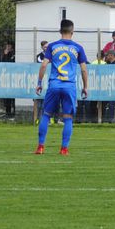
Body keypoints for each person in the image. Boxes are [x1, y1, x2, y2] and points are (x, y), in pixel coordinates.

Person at [34, 19, 89, 155]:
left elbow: (43, 65)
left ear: (60, 31)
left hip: (54, 84)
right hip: (69, 86)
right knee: (68, 118)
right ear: (72, 31)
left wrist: (40, 83)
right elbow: (83, 69)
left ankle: (40, 147)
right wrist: (85, 87)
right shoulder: (78, 48)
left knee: (46, 115)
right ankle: (64, 149)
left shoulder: (52, 46)